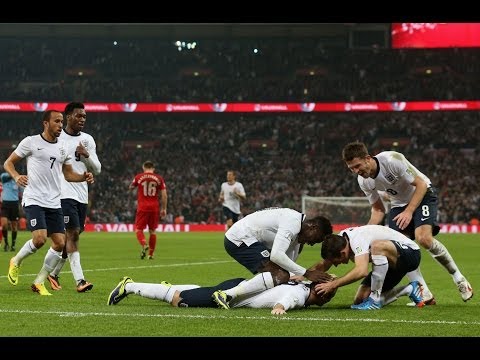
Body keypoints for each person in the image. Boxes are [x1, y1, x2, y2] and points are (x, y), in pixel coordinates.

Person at [341, 141, 473, 304]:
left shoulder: (392, 160)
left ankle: (459, 279)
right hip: (398, 204)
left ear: (367, 158)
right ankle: (424, 293)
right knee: (401, 251)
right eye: (351, 169)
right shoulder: (364, 181)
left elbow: (421, 184)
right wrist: (363, 233)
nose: (356, 171)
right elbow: (378, 210)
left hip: (423, 194)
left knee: (423, 238)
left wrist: (409, 211)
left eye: (357, 166)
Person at [4, 109, 95, 296]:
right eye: (56, 121)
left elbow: (68, 174)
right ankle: (16, 261)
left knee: (61, 243)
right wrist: (16, 176)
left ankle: (39, 282)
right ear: (46, 123)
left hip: (54, 202)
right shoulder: (31, 142)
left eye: (62, 121)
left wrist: (83, 177)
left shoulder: (62, 147)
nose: (61, 125)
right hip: (34, 198)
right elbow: (9, 163)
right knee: (39, 239)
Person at [212, 207, 333, 309]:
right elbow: (276, 256)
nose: (312, 244)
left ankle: (239, 294)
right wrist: (306, 273)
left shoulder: (299, 239)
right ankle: (226, 295)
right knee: (280, 275)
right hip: (239, 238)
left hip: (251, 240)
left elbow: (287, 266)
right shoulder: (292, 222)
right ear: (313, 227)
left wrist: (297, 277)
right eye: (317, 239)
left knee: (281, 275)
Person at [47, 102, 101, 293]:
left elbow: (97, 168)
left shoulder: (88, 140)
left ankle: (51, 274)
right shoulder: (57, 138)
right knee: (73, 235)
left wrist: (86, 156)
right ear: (68, 116)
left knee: (71, 237)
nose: (82, 120)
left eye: (84, 117)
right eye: (79, 116)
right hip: (63, 193)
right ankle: (80, 281)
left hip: (81, 195)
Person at [315, 225, 425, 310]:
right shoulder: (339, 242)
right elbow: (324, 264)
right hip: (390, 265)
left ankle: (375, 301)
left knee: (376, 246)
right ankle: (409, 289)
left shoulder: (357, 240)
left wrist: (333, 285)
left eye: (336, 262)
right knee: (360, 300)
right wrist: (304, 275)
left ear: (343, 253)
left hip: (411, 254)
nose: (336, 265)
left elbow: (361, 271)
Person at [107, 275, 337, 315]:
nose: (328, 297)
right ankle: (129, 286)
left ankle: (169, 287)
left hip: (236, 288)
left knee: (190, 291)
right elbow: (288, 299)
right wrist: (279, 307)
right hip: (231, 295)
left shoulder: (304, 288)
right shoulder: (300, 293)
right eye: (328, 293)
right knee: (178, 300)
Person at [129, 160, 167, 260]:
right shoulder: (159, 178)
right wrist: (164, 208)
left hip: (142, 207)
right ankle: (150, 255)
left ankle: (144, 244)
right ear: (153, 168)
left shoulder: (138, 177)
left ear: (143, 167)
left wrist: (135, 186)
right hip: (154, 207)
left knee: (138, 229)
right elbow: (164, 195)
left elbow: (131, 187)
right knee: (152, 231)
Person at [1, 170, 22, 252]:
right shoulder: (4, 176)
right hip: (5, 203)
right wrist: (14, 175)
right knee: (4, 224)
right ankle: (6, 243)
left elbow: (21, 192)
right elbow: (4, 178)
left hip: (14, 204)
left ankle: (13, 245)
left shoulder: (18, 181)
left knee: (14, 226)